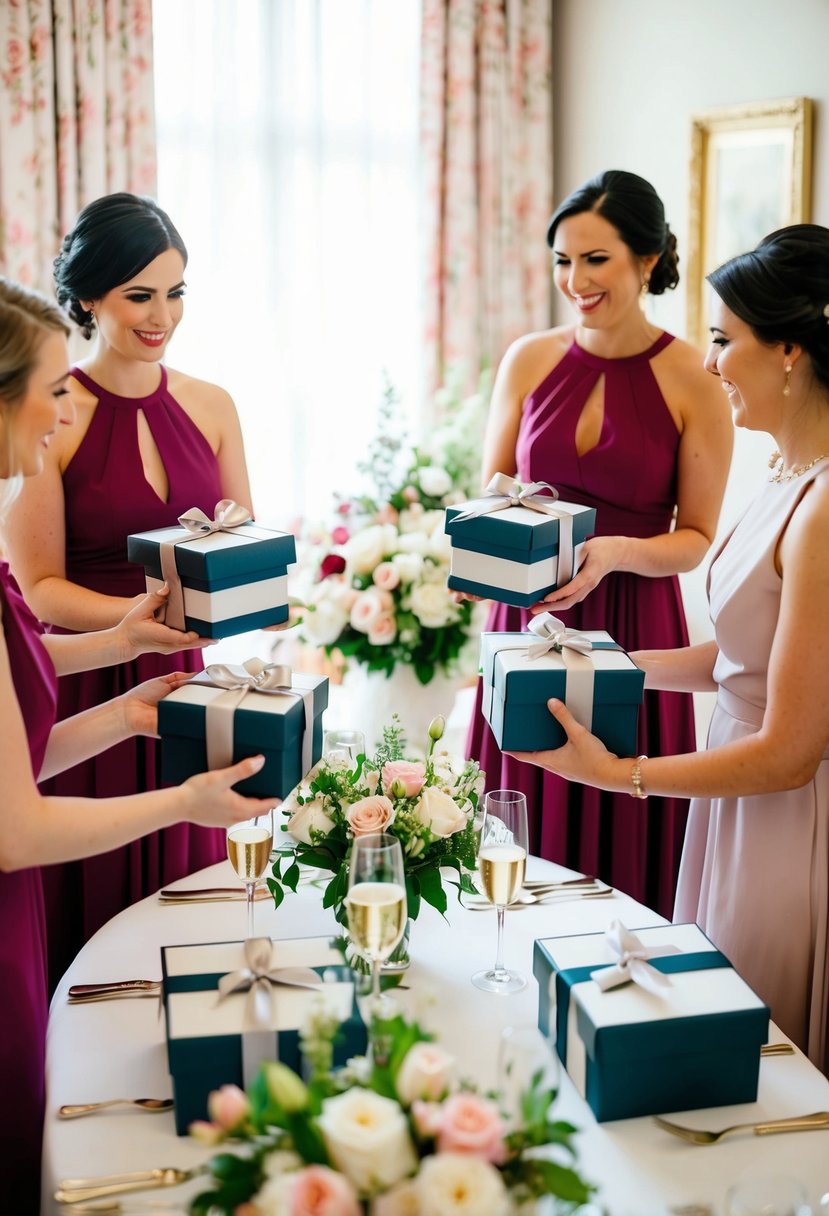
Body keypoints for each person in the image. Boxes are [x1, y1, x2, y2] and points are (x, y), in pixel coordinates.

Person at [512, 224, 829, 1073]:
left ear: (790, 350)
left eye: (726, 340)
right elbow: (734, 660)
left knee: (753, 1046)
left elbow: (791, 752)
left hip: (781, 816)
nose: (713, 361)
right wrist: (593, 661)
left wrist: (618, 776)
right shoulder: (782, 478)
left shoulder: (826, 508)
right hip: (730, 797)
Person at [0, 276, 275, 1212]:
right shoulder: (64, 437)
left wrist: (126, 681)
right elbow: (16, 826)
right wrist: (179, 797)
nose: (60, 408)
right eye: (47, 389)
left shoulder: (209, 402)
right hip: (27, 851)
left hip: (150, 678)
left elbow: (20, 765)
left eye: (177, 291)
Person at [465, 169, 732, 917]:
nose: (574, 280)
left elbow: (696, 538)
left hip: (631, 626)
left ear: (646, 261)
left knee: (618, 830)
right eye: (561, 260)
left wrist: (614, 551)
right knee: (519, 818)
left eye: (594, 259)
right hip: (529, 615)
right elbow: (491, 482)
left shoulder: (693, 379)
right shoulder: (527, 358)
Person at [7, 192, 255, 985]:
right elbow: (39, 587)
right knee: (93, 898)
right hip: (79, 676)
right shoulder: (48, 416)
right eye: (140, 295)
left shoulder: (213, 405)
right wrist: (135, 621)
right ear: (88, 298)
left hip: (184, 673)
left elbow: (243, 547)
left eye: (175, 293)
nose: (162, 316)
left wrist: (231, 580)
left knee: (190, 894)